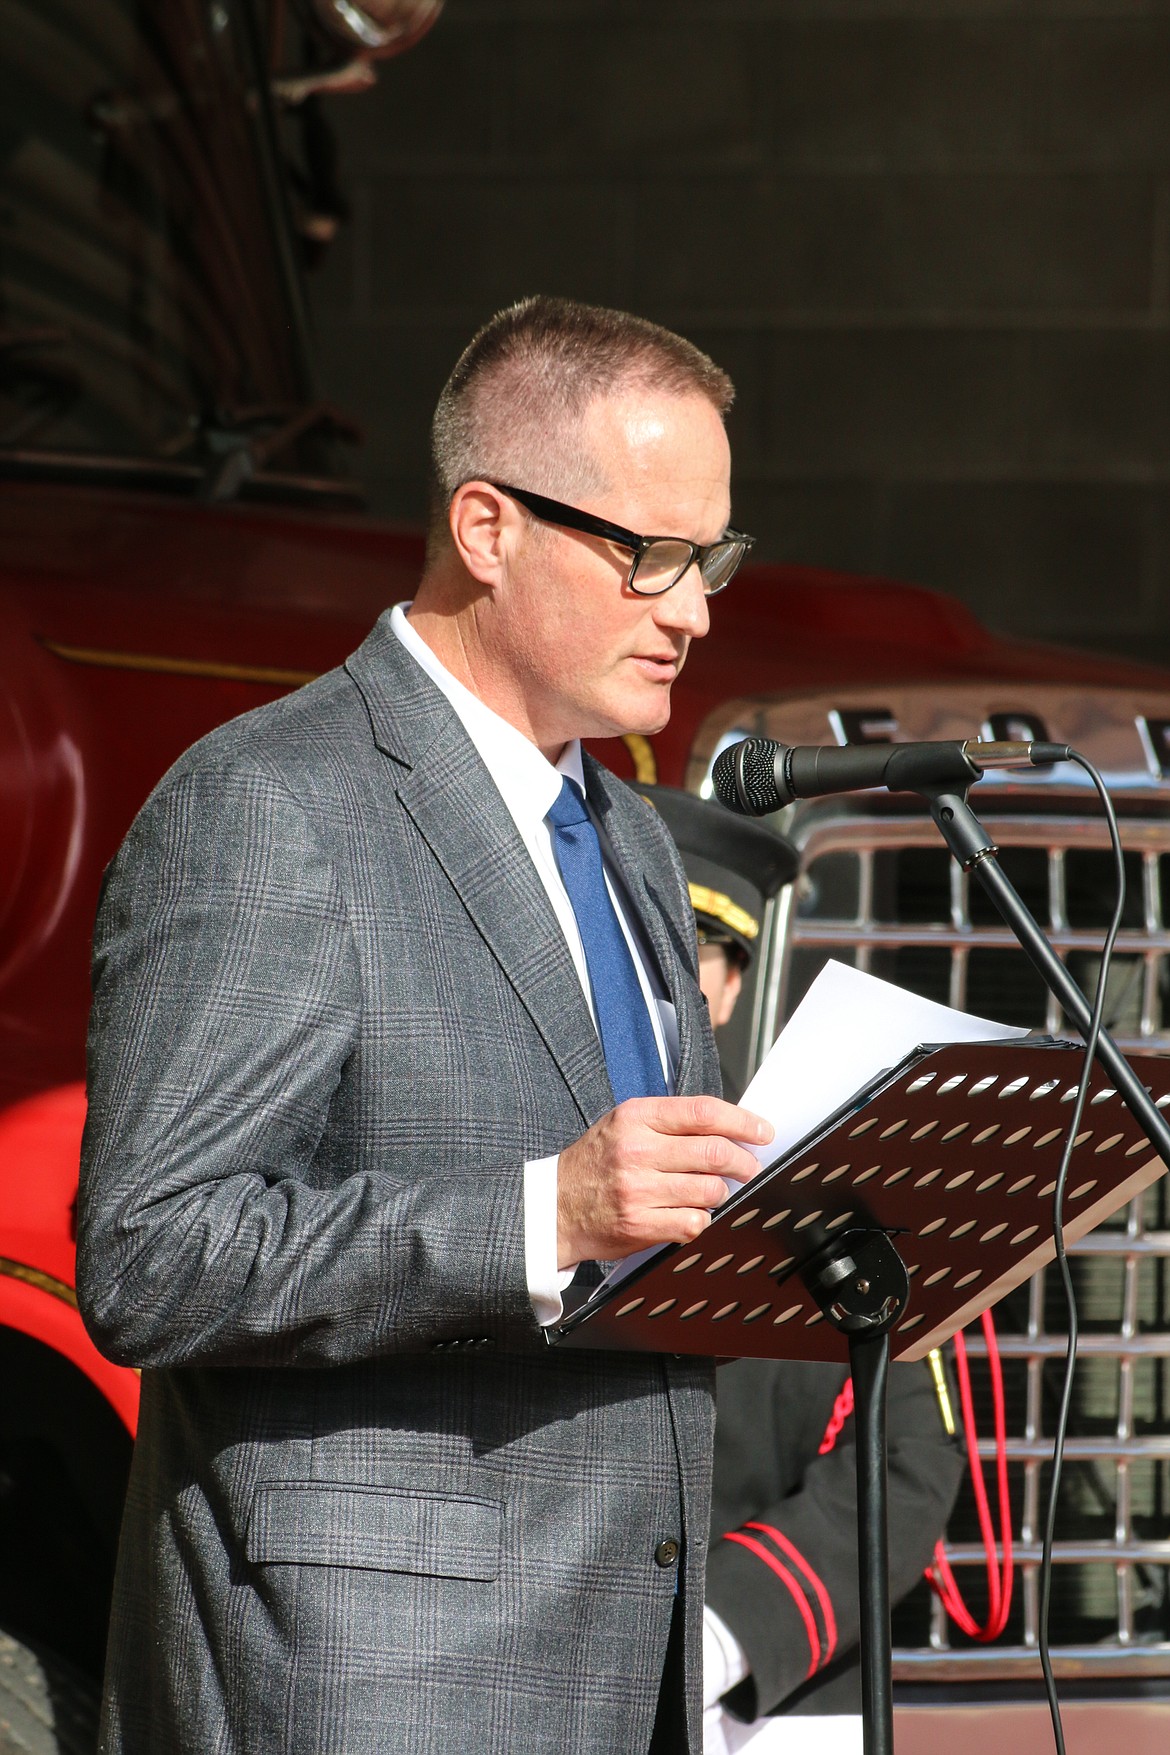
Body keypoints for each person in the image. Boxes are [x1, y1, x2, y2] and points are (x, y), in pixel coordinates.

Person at [75, 296, 776, 1755]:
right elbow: (149, 1254)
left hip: (625, 1655)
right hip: (374, 1674)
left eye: (710, 556)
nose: (694, 606)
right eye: (649, 553)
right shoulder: (270, 804)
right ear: (486, 524)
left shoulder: (629, 832)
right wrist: (538, 1213)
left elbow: (639, 1243)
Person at [637, 787, 965, 1755]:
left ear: (733, 984)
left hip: (770, 1707)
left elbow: (907, 1463)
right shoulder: (529, 1186)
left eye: (695, 956)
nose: (668, 986)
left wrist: (722, 1632)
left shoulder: (832, 1189)